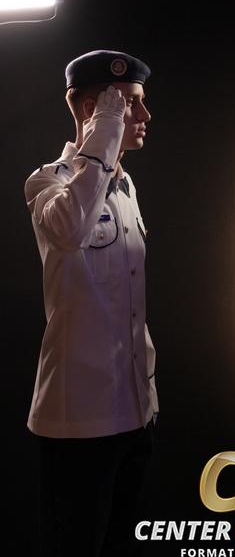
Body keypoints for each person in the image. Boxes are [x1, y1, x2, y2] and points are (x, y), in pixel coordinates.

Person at [24, 49, 159, 556]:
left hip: (136, 410)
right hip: (79, 419)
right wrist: (104, 130)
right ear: (90, 109)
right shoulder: (48, 182)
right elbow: (71, 229)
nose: (144, 114)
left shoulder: (125, 186)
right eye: (129, 102)